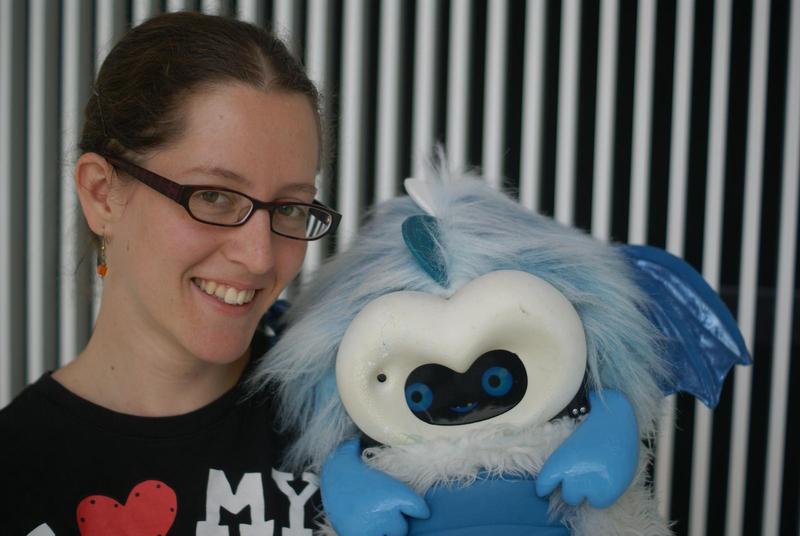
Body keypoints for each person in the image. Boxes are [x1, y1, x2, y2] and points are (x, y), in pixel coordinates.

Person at [0, 12, 339, 535]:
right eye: (214, 196)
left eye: (291, 208)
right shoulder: (15, 472)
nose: (260, 257)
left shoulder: (355, 428)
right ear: (101, 194)